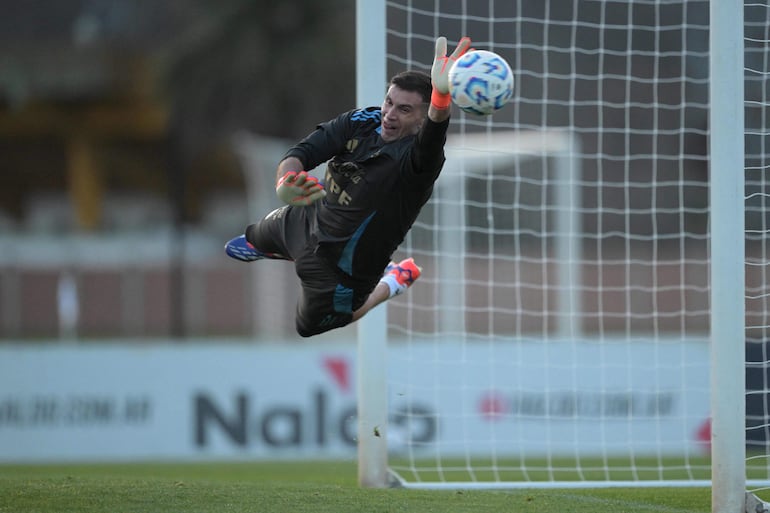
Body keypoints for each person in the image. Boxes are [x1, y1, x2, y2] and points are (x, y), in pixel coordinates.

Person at [225, 36, 471, 337]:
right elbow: (300, 153)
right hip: (307, 219)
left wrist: (441, 101)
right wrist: (284, 184)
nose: (390, 114)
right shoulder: (361, 121)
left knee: (308, 327)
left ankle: (391, 282)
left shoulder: (418, 162)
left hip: (342, 272)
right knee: (238, 246)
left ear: (421, 121)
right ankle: (287, 248)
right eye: (389, 102)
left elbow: (434, 135)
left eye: (404, 110)